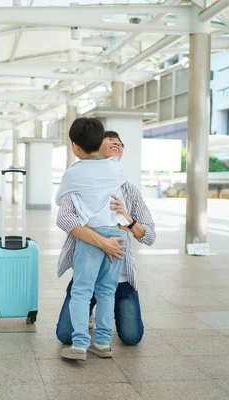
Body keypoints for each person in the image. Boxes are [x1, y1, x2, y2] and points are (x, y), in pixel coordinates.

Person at [56, 130, 156, 348]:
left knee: (132, 338)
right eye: (109, 140)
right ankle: (91, 322)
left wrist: (129, 220)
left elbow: (149, 236)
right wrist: (104, 243)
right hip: (88, 271)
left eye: (119, 143)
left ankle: (101, 329)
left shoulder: (129, 190)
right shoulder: (80, 183)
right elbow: (64, 218)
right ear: (94, 150)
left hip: (121, 279)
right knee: (65, 334)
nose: (116, 144)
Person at [54, 118, 129, 361]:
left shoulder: (73, 173)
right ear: (100, 141)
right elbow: (114, 163)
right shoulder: (116, 168)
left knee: (82, 291)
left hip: (92, 236)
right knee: (107, 289)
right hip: (118, 235)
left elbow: (61, 205)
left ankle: (79, 344)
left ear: (74, 146)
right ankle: (104, 343)